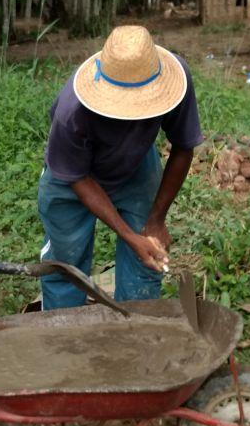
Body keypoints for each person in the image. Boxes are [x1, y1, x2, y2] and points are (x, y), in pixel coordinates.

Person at [38, 25, 202, 309]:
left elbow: (183, 147)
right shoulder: (71, 111)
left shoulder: (177, 81)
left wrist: (156, 221)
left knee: (147, 256)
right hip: (73, 176)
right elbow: (78, 178)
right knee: (66, 264)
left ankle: (135, 331)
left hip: (136, 166)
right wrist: (128, 234)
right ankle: (63, 336)